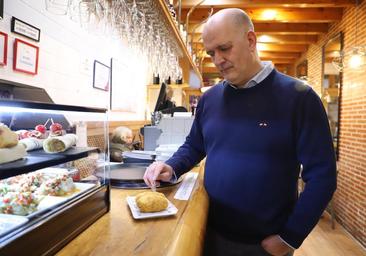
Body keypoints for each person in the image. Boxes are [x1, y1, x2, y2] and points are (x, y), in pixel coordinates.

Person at [144, 8, 336, 256]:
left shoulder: (300, 98)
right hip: (208, 231)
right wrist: (171, 167)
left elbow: (323, 176)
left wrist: (290, 237)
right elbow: (194, 145)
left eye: (225, 48)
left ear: (250, 40)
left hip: (264, 245)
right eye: (212, 53)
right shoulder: (209, 99)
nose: (218, 59)